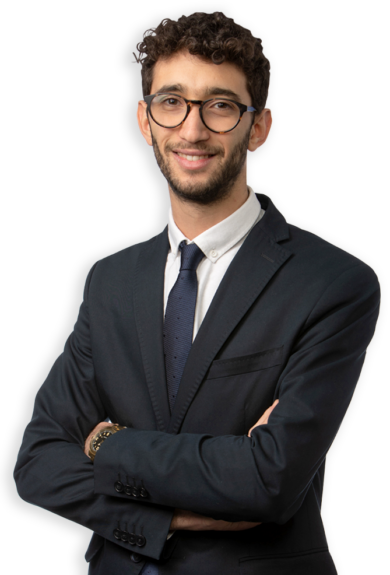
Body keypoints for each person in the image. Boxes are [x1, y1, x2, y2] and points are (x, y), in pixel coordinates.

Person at [13, 11, 381, 575]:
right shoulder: (110, 279)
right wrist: (170, 519)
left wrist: (105, 443)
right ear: (144, 120)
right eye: (172, 102)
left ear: (258, 127)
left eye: (220, 106)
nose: (191, 130)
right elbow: (37, 462)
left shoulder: (333, 284)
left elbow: (268, 480)